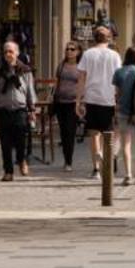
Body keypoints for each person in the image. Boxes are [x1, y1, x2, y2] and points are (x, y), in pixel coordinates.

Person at [0, 38, 36, 182]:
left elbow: (30, 92)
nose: (8, 54)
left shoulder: (25, 71)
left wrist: (32, 110)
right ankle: (8, 171)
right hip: (3, 111)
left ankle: (21, 160)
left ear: (17, 53)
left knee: (21, 141)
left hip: (20, 111)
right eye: (5, 52)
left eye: (11, 51)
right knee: (5, 144)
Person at [76, 25, 120, 180]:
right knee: (107, 133)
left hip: (91, 98)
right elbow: (118, 79)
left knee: (93, 133)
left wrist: (78, 101)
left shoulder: (88, 54)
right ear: (108, 38)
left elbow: (81, 78)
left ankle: (95, 168)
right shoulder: (114, 55)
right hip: (108, 98)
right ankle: (105, 162)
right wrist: (118, 99)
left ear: (94, 38)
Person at [113, 46, 135, 186]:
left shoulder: (119, 72)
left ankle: (127, 174)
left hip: (124, 111)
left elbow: (117, 93)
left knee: (125, 144)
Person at [51, 40, 85, 171]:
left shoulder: (81, 67)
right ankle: (66, 158)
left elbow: (83, 85)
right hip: (60, 102)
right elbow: (56, 82)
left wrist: (81, 102)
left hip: (73, 103)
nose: (69, 51)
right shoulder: (61, 66)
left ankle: (69, 161)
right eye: (67, 49)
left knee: (70, 132)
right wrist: (52, 95)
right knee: (63, 132)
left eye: (72, 49)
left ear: (78, 52)